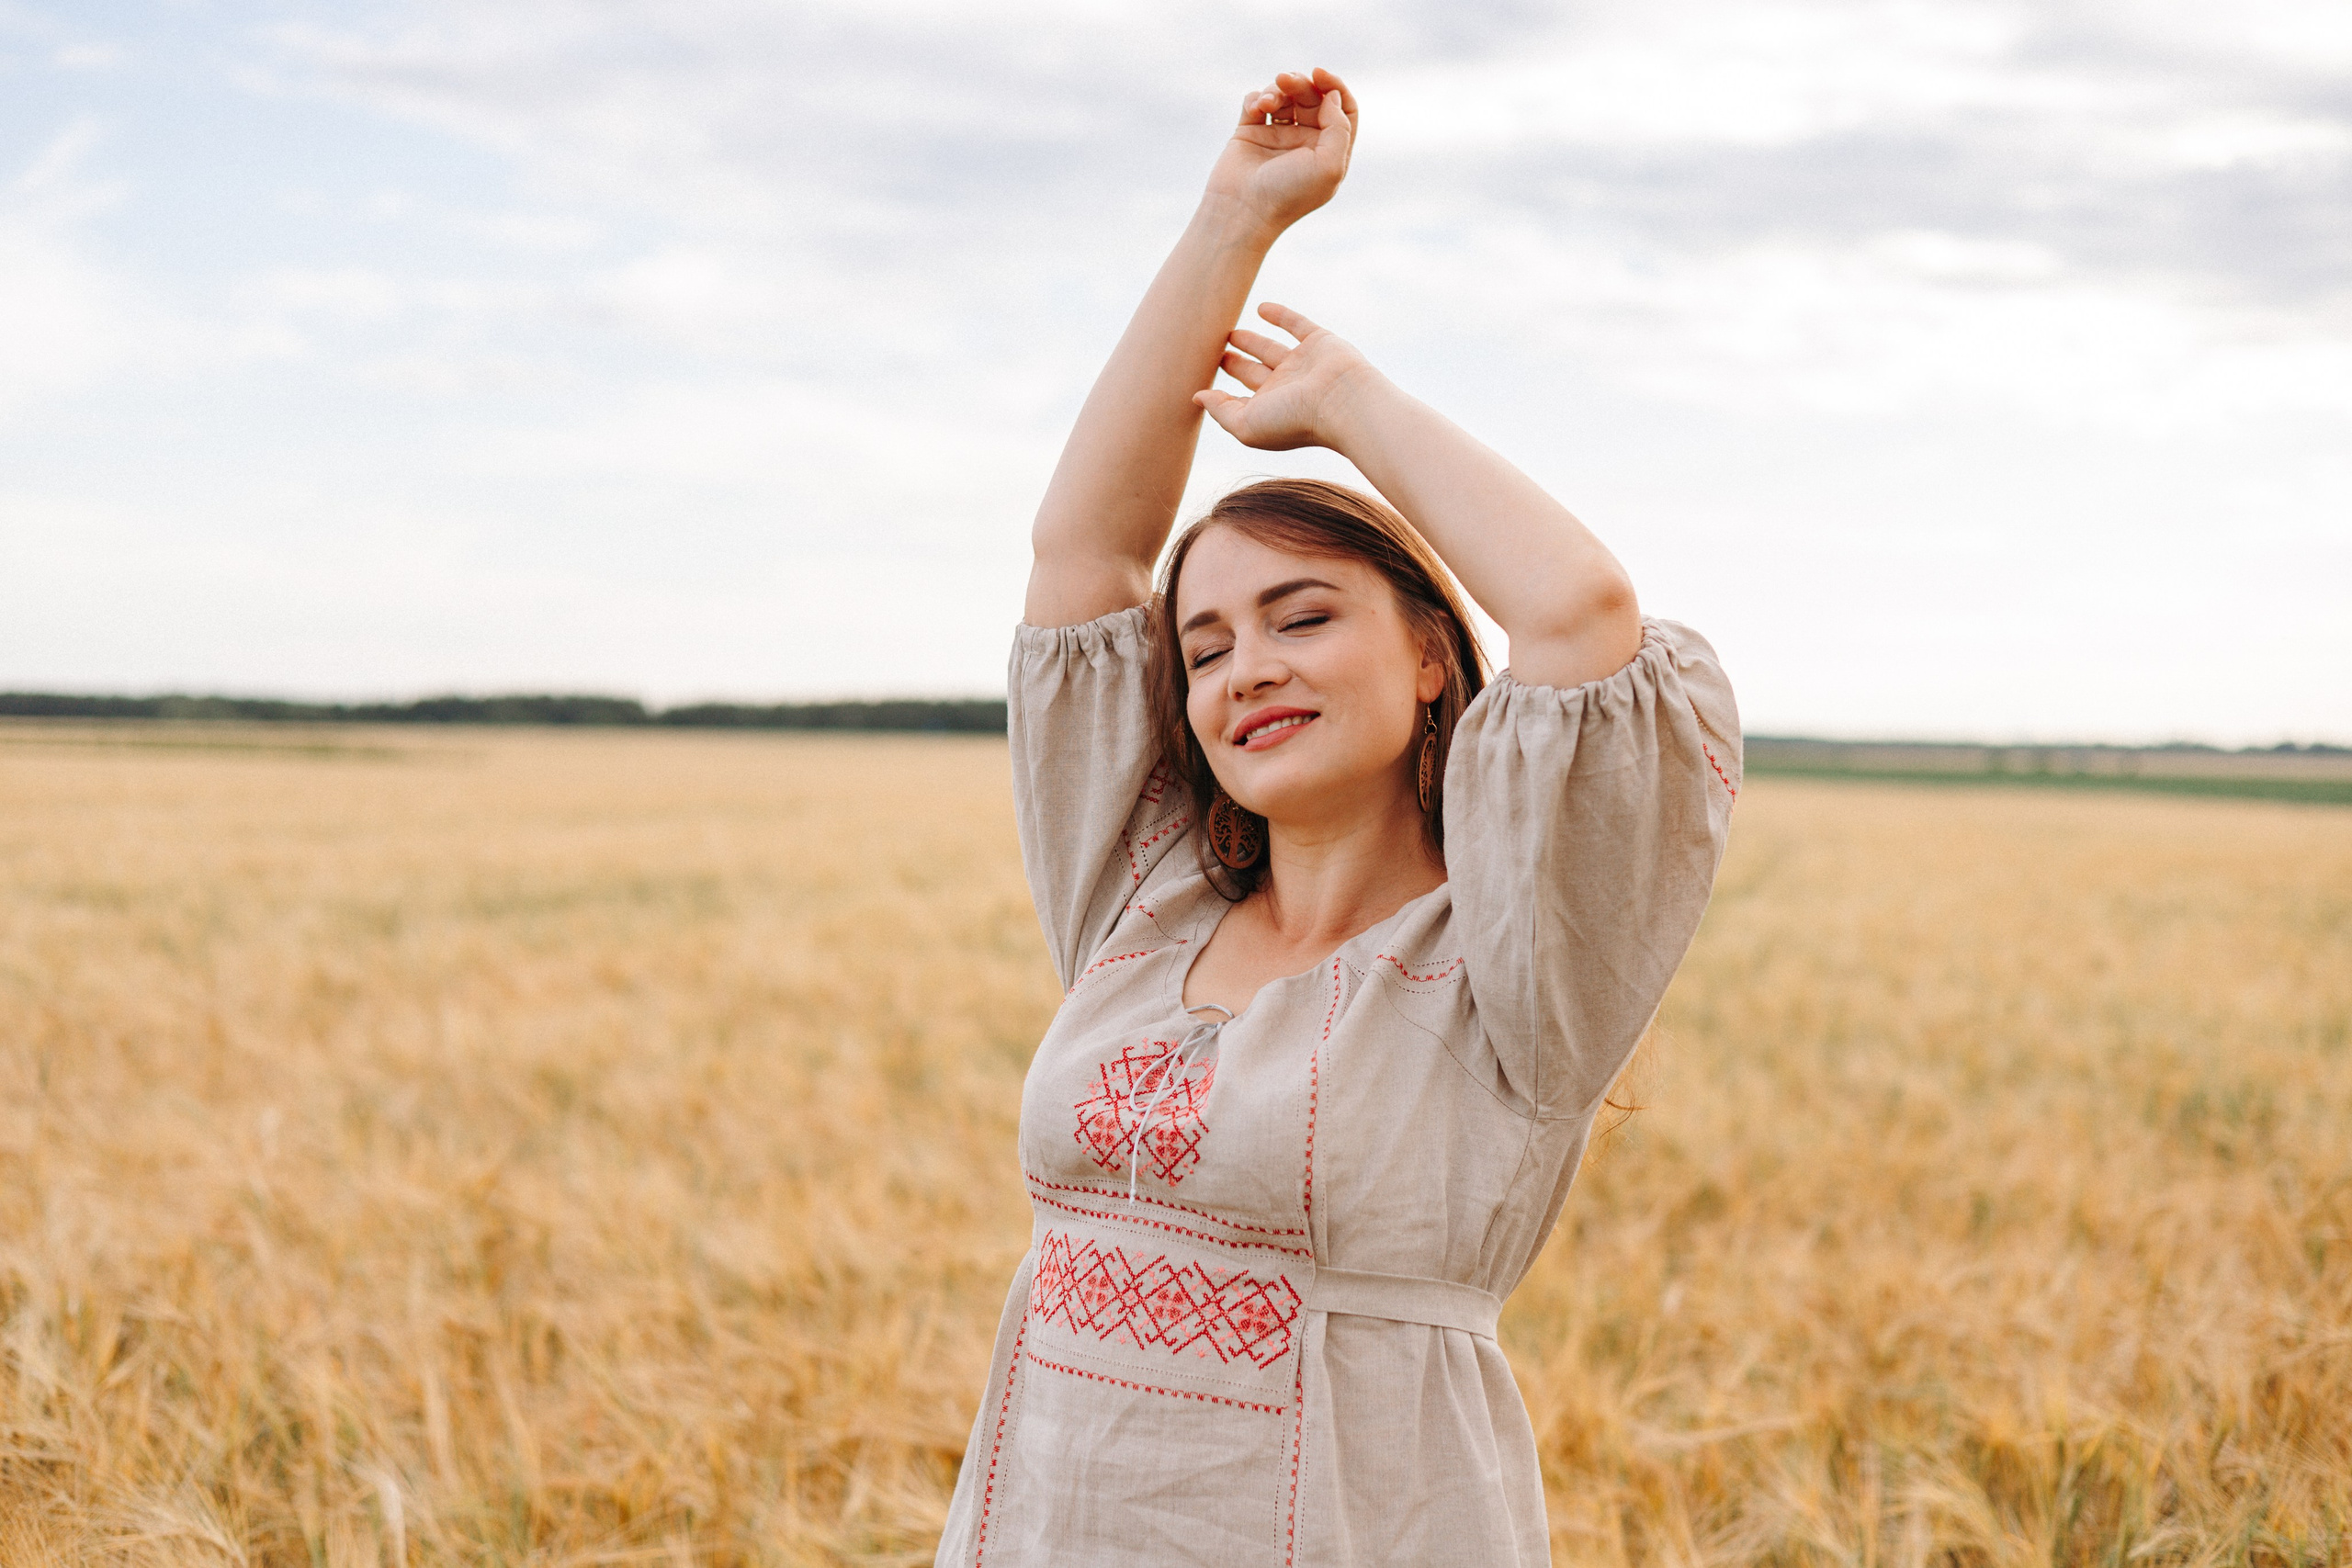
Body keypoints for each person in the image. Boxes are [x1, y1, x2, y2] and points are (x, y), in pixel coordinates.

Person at [935, 67, 1740, 1567]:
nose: (1248, 669)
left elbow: (1584, 618)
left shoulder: (1515, 965)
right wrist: (1237, 215)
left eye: (1303, 616)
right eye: (1210, 645)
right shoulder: (1142, 899)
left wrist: (1346, 406)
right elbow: (1086, 549)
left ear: (1434, 652)